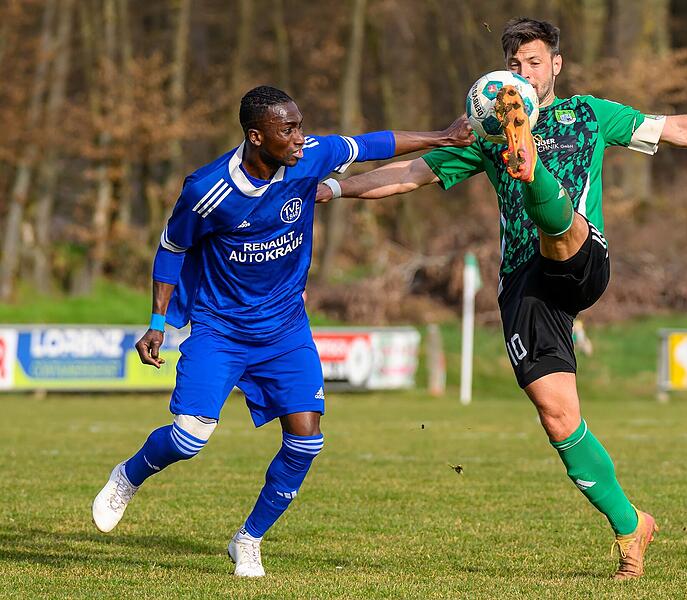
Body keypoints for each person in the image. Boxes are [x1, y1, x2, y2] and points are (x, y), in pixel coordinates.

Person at [316, 18, 687, 580]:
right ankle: (630, 526)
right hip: (525, 283)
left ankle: (533, 171)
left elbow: (679, 130)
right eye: (515, 65)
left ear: (556, 66)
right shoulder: (483, 132)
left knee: (560, 231)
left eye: (534, 63)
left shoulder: (589, 115)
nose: (524, 72)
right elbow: (409, 173)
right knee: (558, 417)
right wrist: (329, 186)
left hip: (580, 258)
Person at [91, 85, 473, 578]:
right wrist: (157, 323)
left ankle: (248, 539)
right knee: (189, 438)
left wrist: (442, 136)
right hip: (221, 328)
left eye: (299, 125)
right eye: (287, 129)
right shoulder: (208, 190)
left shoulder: (309, 158)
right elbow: (171, 249)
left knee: (306, 440)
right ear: (256, 136)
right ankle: (128, 476)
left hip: (286, 328)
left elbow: (373, 143)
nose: (299, 137)